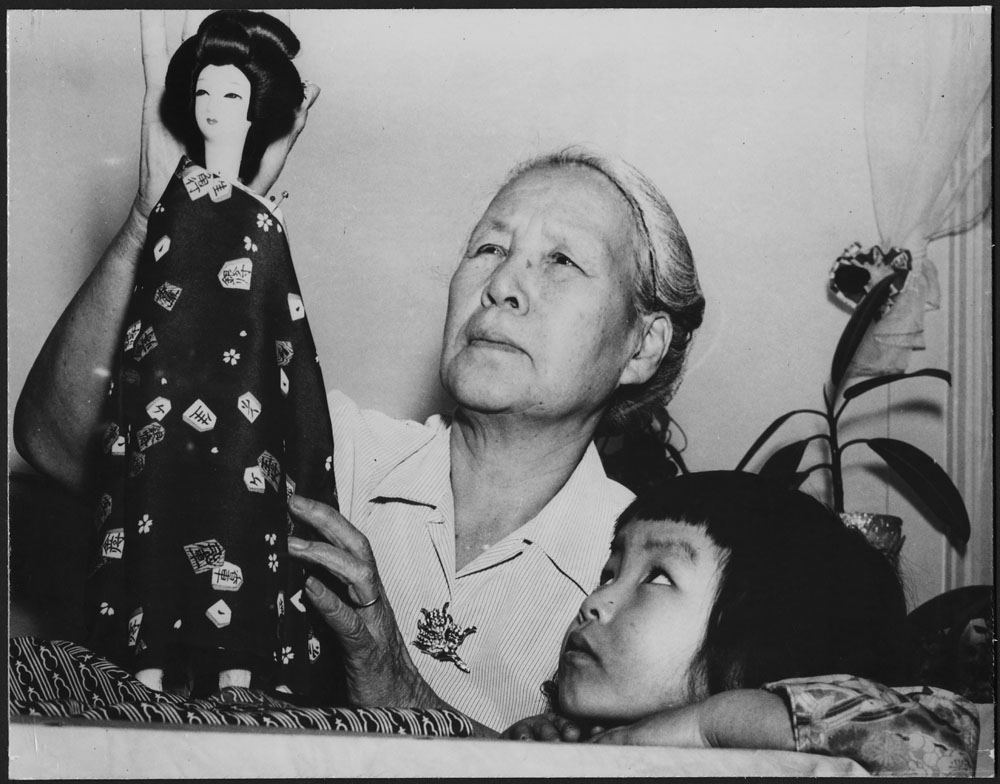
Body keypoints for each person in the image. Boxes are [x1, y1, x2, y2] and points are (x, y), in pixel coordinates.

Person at [12, 10, 977, 755]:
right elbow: (62, 444)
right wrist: (162, 212)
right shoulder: (329, 449)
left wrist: (391, 676)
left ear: (641, 346)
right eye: (489, 247)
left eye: (561, 264)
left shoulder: (649, 581)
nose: (504, 282)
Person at [86, 10, 341, 700]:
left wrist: (251, 203)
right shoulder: (176, 203)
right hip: (166, 402)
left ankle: (243, 665)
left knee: (237, 509)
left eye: (232, 96)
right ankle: (149, 661)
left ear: (258, 108)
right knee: (159, 504)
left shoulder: (262, 220)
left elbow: (273, 340)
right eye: (203, 92)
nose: (213, 109)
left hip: (243, 422)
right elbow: (158, 315)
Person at [502, 472, 980, 775]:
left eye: (658, 577)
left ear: (763, 637)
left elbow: (941, 732)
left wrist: (705, 726)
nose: (595, 601)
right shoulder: (574, 739)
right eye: (609, 573)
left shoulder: (808, 757)